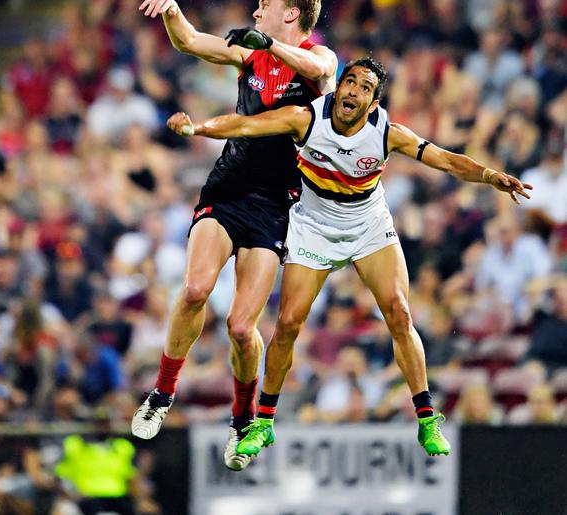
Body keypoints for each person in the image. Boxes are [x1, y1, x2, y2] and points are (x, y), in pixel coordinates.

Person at [165, 57, 533, 459]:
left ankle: (427, 418)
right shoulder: (305, 119)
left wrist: (488, 175)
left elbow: (445, 160)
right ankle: (263, 424)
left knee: (399, 312)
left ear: (373, 103)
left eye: (364, 88)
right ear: (338, 87)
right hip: (313, 227)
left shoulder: (387, 133)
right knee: (287, 324)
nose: (354, 91)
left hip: (368, 226)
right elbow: (245, 125)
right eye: (350, 82)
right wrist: (196, 127)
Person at [130, 0, 337, 470]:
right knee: (197, 287)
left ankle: (242, 418)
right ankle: (162, 393)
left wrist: (271, 44)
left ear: (291, 15)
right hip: (225, 192)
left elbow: (319, 73)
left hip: (274, 207)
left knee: (242, 327)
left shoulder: (319, 57)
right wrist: (173, 12)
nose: (257, 10)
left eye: (266, 4)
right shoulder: (250, 55)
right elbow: (192, 41)